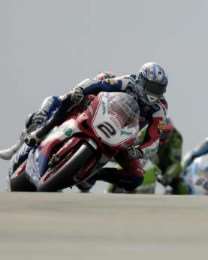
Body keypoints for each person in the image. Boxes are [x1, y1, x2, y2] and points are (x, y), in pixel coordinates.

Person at [19, 62, 169, 191]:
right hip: (102, 117)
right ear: (141, 80)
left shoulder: (159, 109)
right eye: (152, 87)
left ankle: (95, 174)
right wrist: (81, 90)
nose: (154, 93)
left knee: (136, 178)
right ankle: (41, 131)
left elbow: (155, 135)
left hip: (123, 138)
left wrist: (139, 151)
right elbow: (100, 84)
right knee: (70, 99)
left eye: (159, 90)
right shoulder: (128, 82)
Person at [108, 118, 188, 194]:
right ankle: (113, 186)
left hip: (163, 165)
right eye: (161, 132)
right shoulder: (147, 131)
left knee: (181, 186)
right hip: (145, 157)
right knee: (126, 162)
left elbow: (176, 163)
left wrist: (168, 176)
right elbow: (132, 142)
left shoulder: (176, 138)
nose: (163, 136)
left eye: (167, 133)